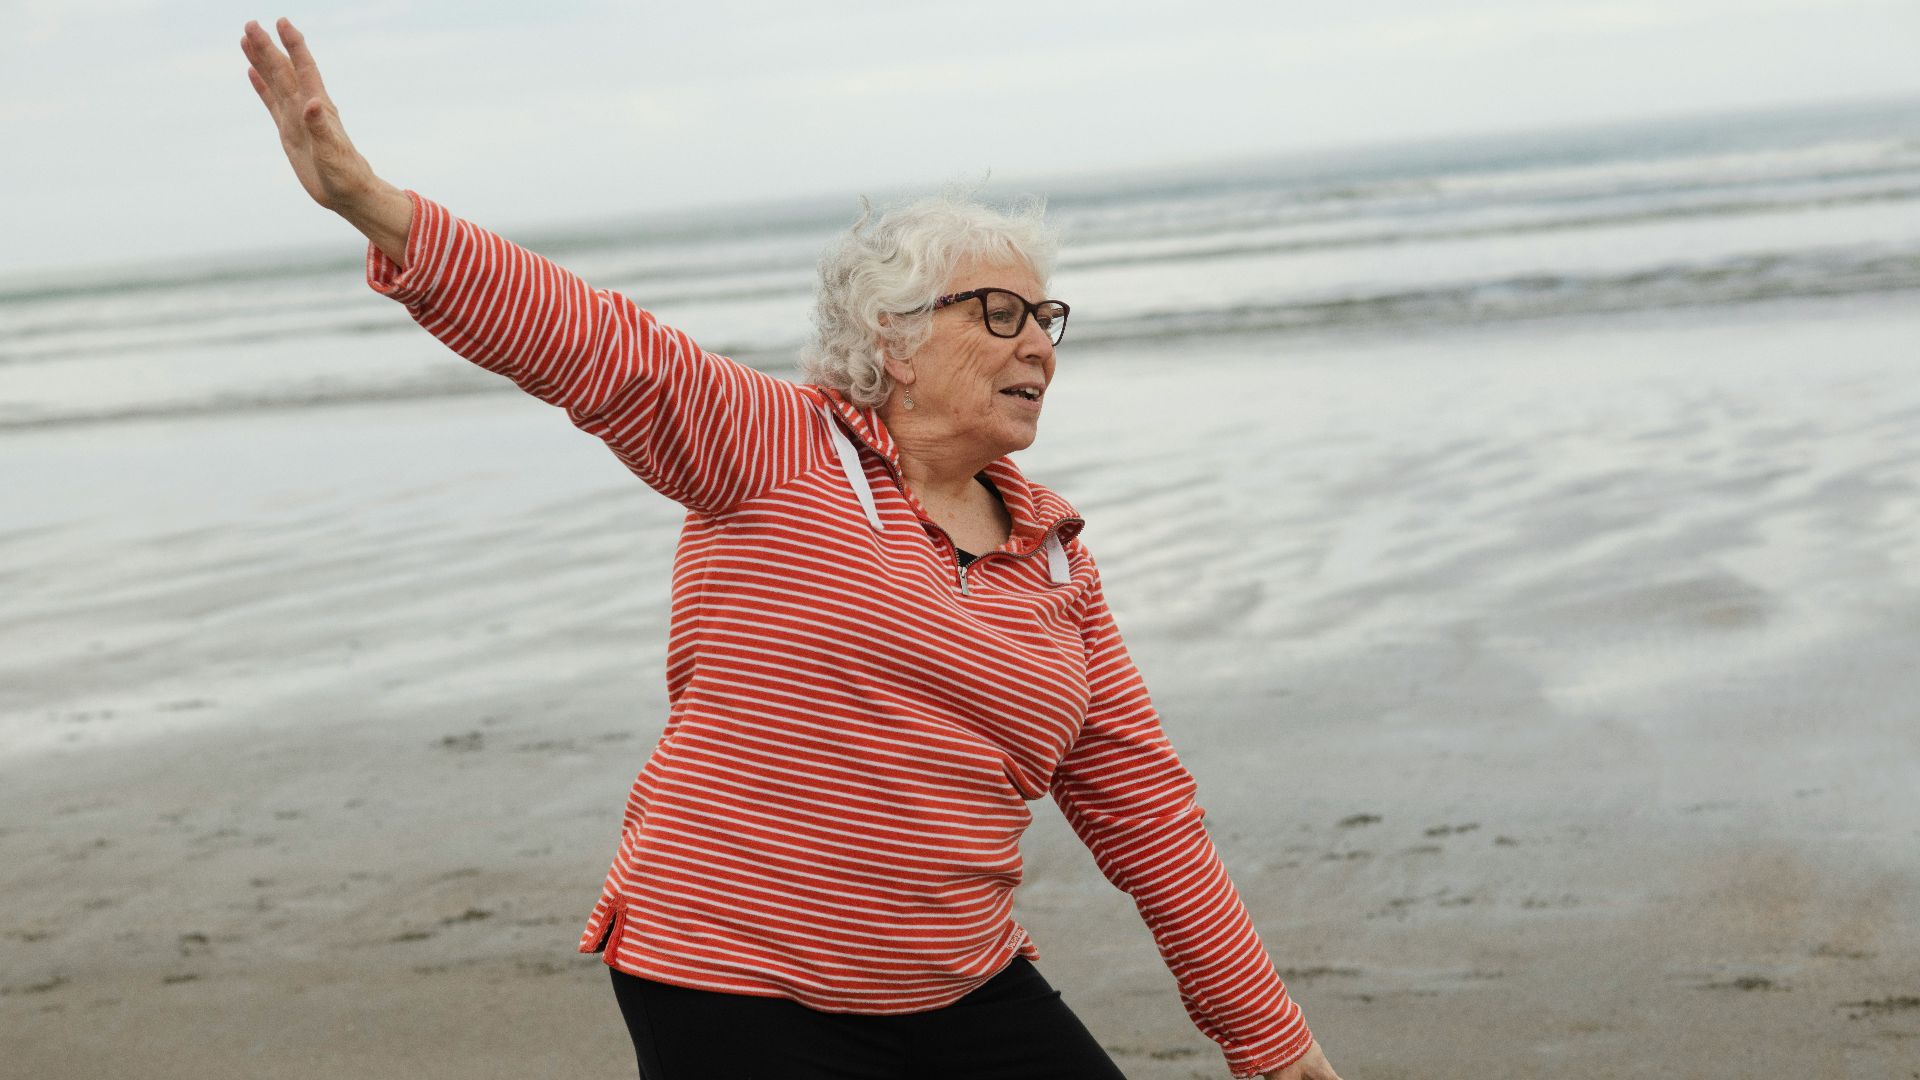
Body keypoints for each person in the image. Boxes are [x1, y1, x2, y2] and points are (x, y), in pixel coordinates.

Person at [241, 17, 1345, 1080]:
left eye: (1045, 319)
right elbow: (599, 346)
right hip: (731, 981)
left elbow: (1144, 808)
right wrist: (374, 206)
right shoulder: (779, 450)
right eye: (998, 315)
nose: (1038, 348)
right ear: (892, 341)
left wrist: (1266, 1033)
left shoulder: (1055, 557)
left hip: (956, 985)